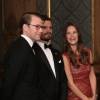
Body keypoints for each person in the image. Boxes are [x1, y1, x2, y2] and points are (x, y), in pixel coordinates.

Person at [2, 12, 44, 100]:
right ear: (25, 27)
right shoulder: (19, 48)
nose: (41, 30)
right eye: (37, 27)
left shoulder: (28, 47)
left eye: (41, 27)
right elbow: (10, 81)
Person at [33, 15, 67, 100]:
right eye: (45, 27)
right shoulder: (32, 52)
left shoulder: (57, 53)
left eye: (50, 28)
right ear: (38, 29)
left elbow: (63, 81)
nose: (49, 30)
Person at [62, 22, 96, 100]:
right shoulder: (65, 56)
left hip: (89, 94)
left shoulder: (88, 52)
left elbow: (92, 75)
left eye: (74, 32)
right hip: (74, 96)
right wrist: (85, 99)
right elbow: (70, 83)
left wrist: (94, 95)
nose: (72, 36)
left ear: (78, 34)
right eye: (68, 33)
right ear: (65, 37)